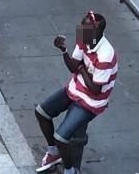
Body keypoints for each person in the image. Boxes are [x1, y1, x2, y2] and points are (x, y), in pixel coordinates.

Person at [35, 12, 117, 174]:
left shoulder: (106, 55)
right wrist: (64, 50)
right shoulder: (84, 40)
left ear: (97, 32)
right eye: (82, 25)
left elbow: (95, 89)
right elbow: (73, 66)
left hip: (92, 101)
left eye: (86, 28)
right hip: (76, 88)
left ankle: (70, 170)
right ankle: (53, 153)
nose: (81, 30)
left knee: (61, 137)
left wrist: (80, 68)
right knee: (41, 112)